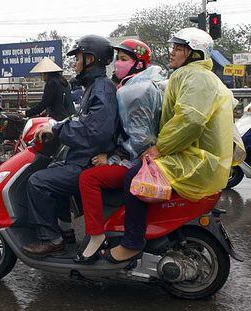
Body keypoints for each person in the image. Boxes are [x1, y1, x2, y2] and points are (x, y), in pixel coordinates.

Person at [102, 28, 235, 263]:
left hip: (197, 160)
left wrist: (160, 148)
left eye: (178, 48)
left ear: (194, 53)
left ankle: (132, 242)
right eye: (172, 47)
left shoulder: (196, 77)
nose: (172, 52)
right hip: (195, 155)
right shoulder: (188, 75)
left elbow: (190, 120)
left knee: (134, 176)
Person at [22, 35, 118, 256]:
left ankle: (51, 238)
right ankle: (66, 234)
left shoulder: (101, 89)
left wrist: (56, 130)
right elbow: (79, 119)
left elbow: (95, 131)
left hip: (86, 162)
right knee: (53, 172)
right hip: (81, 157)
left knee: (37, 182)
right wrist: (56, 126)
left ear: (90, 59)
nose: (75, 64)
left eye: (78, 58)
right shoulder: (94, 87)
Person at [75, 39, 163, 263]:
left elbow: (140, 140)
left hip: (136, 162)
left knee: (88, 178)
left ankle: (96, 235)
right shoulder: (133, 85)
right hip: (136, 157)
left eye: (124, 59)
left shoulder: (135, 91)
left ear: (139, 64)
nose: (117, 64)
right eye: (117, 59)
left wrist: (112, 157)